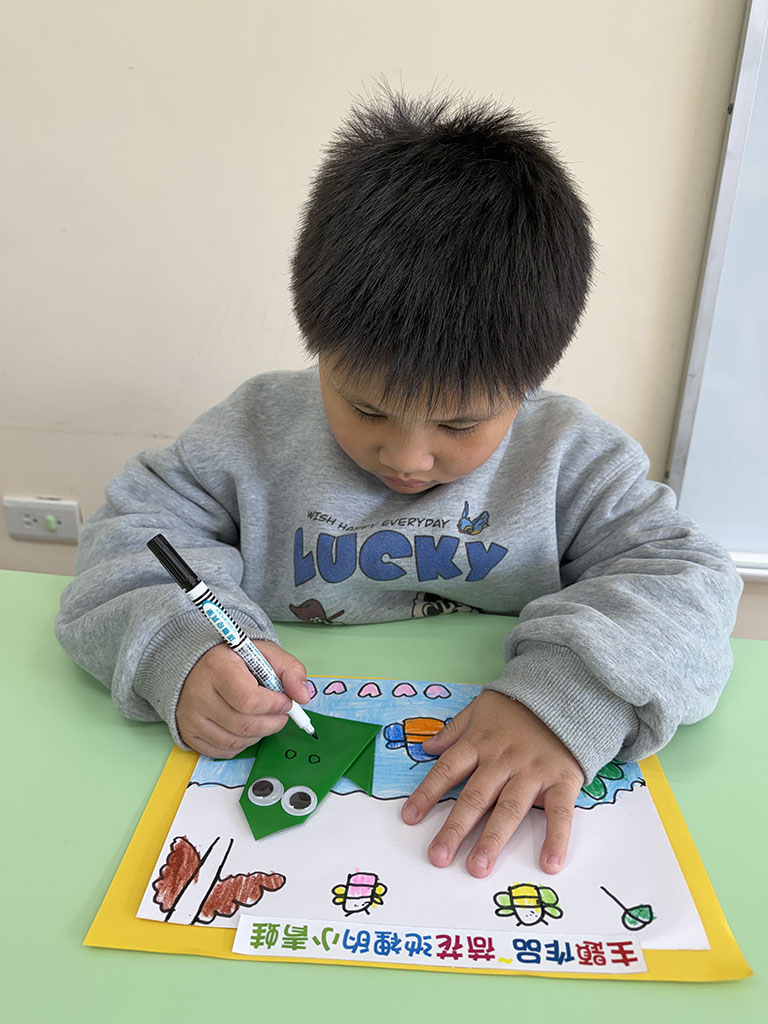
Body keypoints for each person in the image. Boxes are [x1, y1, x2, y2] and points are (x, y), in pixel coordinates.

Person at [55, 87, 742, 879]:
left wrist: (566, 702)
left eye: (460, 424)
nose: (408, 458)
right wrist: (182, 646)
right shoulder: (254, 431)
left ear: (528, 382)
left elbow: (687, 581)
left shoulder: (569, 456)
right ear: (319, 348)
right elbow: (133, 535)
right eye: (365, 408)